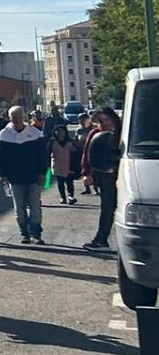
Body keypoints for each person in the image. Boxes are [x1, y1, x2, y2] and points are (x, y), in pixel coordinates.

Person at [0, 107, 50, 245]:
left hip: (34, 177)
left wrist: (43, 173)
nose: (17, 119)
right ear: (9, 117)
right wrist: (2, 174)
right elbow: (0, 158)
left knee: (35, 207)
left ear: (24, 117)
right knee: (19, 208)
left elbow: (43, 156)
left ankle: (36, 233)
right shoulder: (4, 135)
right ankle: (25, 234)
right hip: (14, 179)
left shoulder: (35, 133)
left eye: (20, 116)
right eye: (14, 117)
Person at [84, 108, 124, 252]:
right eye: (100, 121)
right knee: (107, 209)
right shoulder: (96, 134)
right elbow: (88, 154)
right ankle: (101, 240)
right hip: (106, 176)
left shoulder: (125, 132)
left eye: (106, 120)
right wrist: (87, 173)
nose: (103, 123)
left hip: (125, 175)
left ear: (113, 118)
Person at [49, 122, 80, 207]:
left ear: (65, 132)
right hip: (57, 164)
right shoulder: (52, 142)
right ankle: (63, 197)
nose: (59, 133)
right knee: (60, 182)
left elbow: (77, 152)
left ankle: (71, 196)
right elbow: (47, 153)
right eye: (57, 131)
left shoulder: (70, 142)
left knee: (69, 182)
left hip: (69, 164)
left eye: (61, 131)